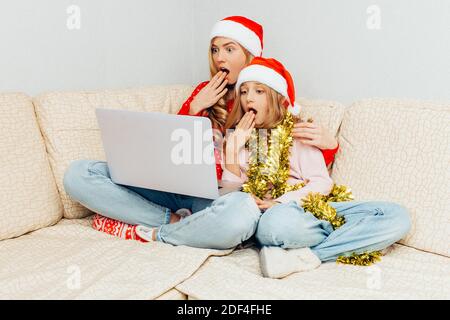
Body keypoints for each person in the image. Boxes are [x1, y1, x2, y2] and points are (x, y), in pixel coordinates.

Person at [222, 57, 412, 278]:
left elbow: (322, 183)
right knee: (274, 227)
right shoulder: (240, 140)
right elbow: (229, 200)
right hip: (275, 220)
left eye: (259, 91)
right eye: (243, 92)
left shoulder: (298, 133)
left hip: (310, 208)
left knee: (398, 217)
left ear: (276, 97)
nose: (249, 98)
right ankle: (350, 238)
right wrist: (231, 153)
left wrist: (280, 202)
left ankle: (310, 254)